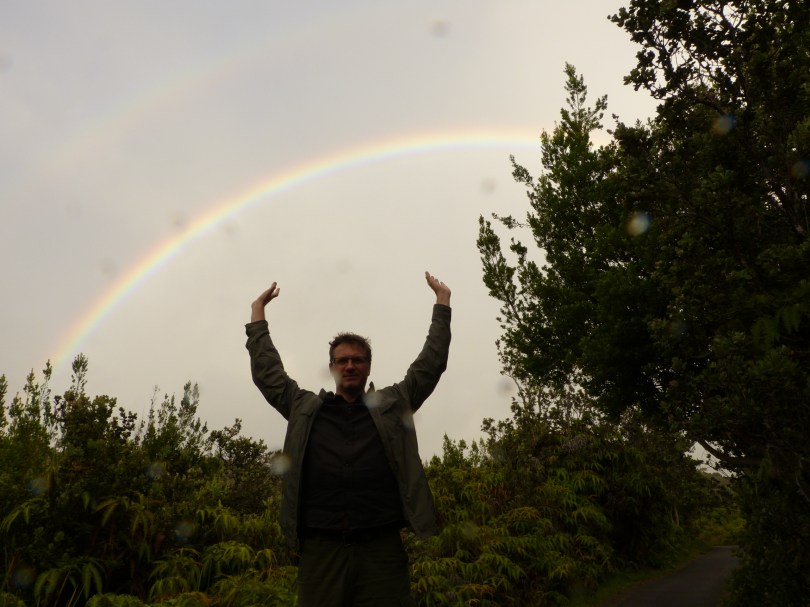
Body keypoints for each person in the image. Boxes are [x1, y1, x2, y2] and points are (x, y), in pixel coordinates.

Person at [245, 271, 452, 607]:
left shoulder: (392, 404)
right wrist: (258, 313)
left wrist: (442, 303)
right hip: (320, 550)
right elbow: (268, 373)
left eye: (358, 360)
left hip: (381, 548)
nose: (350, 366)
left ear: (369, 366)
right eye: (342, 361)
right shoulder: (303, 407)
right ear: (332, 367)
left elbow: (430, 365)